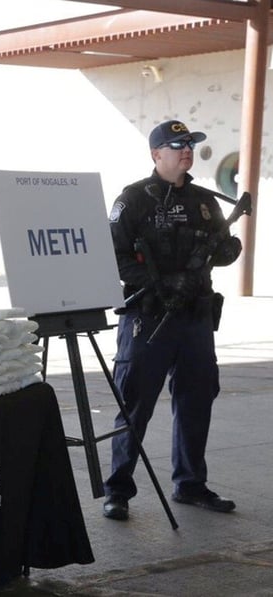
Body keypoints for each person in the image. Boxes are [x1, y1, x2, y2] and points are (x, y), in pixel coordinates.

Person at [103, 119, 243, 521]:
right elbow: (115, 254)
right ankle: (118, 490)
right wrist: (159, 283)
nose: (186, 150)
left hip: (195, 318)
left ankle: (190, 484)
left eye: (190, 144)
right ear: (156, 154)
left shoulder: (205, 201)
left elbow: (219, 249)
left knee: (197, 399)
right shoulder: (134, 200)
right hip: (150, 317)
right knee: (135, 404)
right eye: (176, 144)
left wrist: (227, 250)